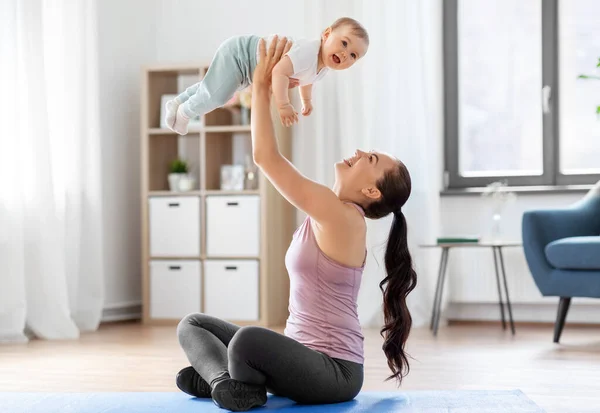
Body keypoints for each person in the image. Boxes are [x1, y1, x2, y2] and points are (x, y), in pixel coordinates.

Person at [175, 36, 417, 412]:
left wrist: (259, 83)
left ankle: (225, 376)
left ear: (371, 189)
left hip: (334, 372)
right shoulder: (327, 211)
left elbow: (265, 157)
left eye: (369, 157)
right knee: (194, 324)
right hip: (299, 360)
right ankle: (227, 383)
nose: (357, 153)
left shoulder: (343, 218)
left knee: (247, 342)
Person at [164, 17, 369, 135]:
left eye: (353, 55)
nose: (345, 54)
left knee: (212, 86)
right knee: (218, 96)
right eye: (344, 43)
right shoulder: (308, 51)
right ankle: (184, 113)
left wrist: (307, 100)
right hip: (241, 55)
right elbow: (280, 71)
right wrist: (283, 105)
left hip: (248, 71)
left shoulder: (322, 68)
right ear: (326, 34)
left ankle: (177, 102)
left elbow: (307, 81)